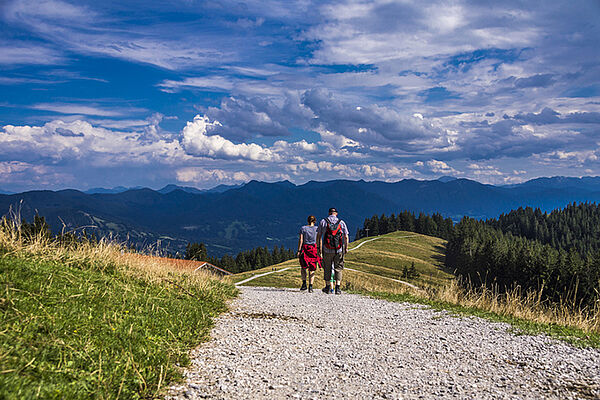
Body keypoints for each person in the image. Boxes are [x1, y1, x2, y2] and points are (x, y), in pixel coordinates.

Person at [317, 207, 349, 295]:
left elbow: (319, 236)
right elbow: (346, 236)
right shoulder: (341, 222)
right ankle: (338, 288)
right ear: (336, 213)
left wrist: (319, 249)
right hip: (338, 250)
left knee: (327, 267)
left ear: (329, 213)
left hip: (327, 249)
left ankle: (327, 287)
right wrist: (346, 247)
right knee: (338, 268)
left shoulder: (323, 222)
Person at [297, 215, 321, 293]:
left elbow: (301, 240)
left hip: (305, 248)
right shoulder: (317, 229)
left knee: (303, 267)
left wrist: (299, 250)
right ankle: (311, 286)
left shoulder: (303, 228)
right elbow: (319, 240)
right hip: (314, 249)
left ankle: (304, 284)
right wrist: (319, 250)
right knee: (312, 268)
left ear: (307, 220)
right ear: (315, 221)